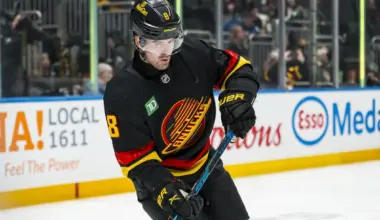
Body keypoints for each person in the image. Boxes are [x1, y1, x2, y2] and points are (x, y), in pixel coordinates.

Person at [103, 0, 259, 219]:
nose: (166, 52)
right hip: (162, 183)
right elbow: (135, 159)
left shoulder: (193, 54)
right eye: (157, 44)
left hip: (206, 166)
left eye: (170, 41)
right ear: (139, 41)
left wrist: (238, 98)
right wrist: (165, 190)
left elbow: (238, 68)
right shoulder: (122, 92)